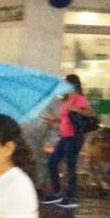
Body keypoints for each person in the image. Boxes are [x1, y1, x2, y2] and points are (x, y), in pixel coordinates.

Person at [43, 74, 95, 209]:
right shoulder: (67, 99)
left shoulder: (79, 99)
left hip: (74, 137)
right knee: (52, 163)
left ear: (73, 85)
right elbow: (67, 118)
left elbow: (91, 113)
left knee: (70, 167)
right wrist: (54, 120)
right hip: (65, 136)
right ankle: (58, 193)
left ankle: (71, 197)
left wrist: (75, 109)